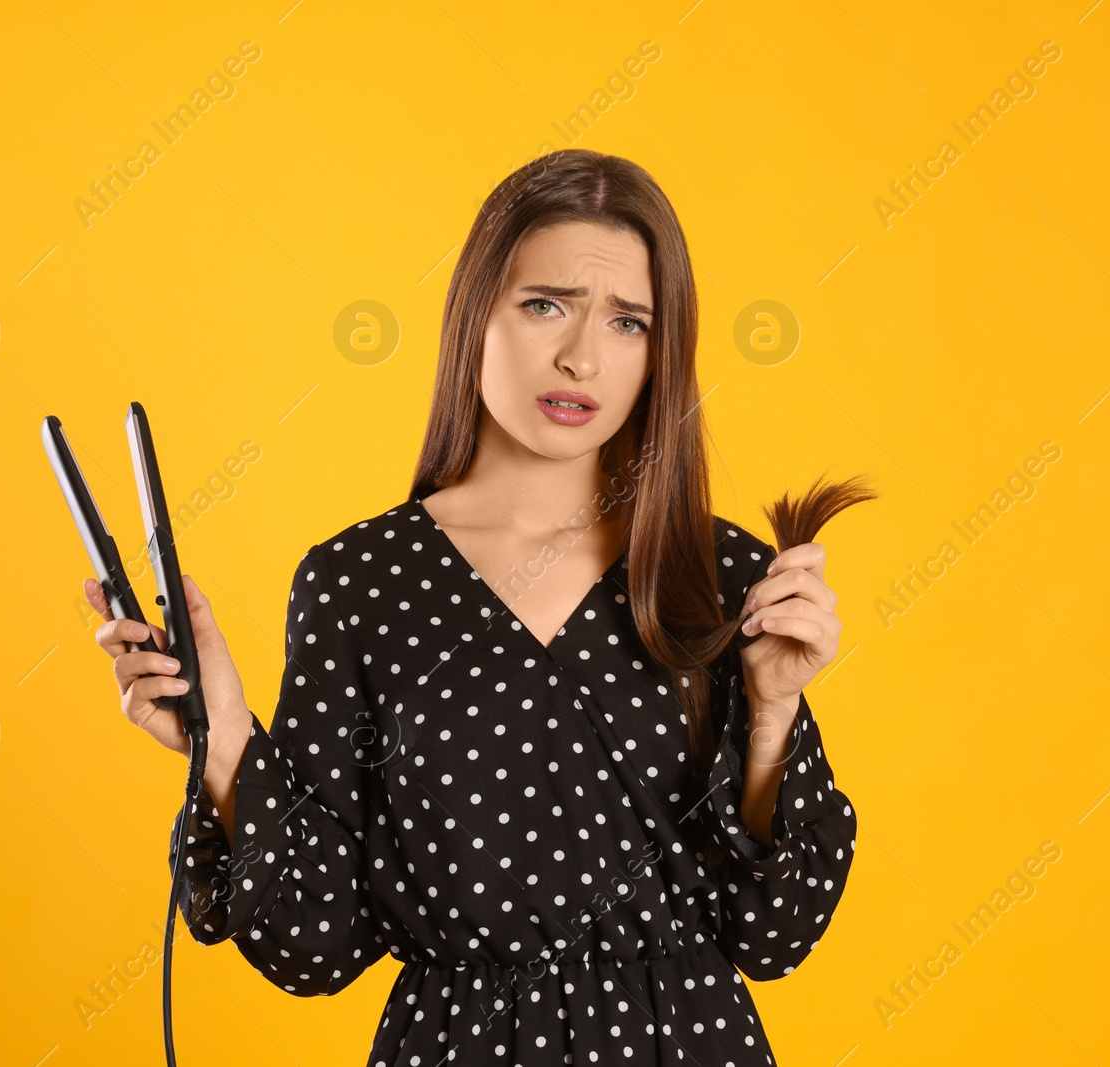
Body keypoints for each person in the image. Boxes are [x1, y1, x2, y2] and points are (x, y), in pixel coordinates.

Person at [83, 148, 858, 1064]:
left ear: (661, 353)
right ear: (473, 315)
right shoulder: (359, 583)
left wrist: (771, 711)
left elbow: (774, 933)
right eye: (545, 305)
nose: (581, 356)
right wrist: (222, 745)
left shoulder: (720, 572)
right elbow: (314, 944)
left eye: (629, 323)